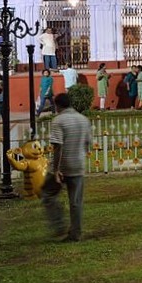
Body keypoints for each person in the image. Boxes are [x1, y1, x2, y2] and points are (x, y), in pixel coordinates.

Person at [42, 92, 91, 242]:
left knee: (47, 193)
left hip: (63, 166)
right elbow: (87, 143)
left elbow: (58, 146)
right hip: (78, 164)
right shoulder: (84, 120)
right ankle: (75, 233)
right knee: (76, 202)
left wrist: (56, 169)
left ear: (57, 105)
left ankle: (58, 224)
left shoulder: (59, 120)